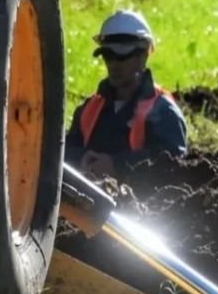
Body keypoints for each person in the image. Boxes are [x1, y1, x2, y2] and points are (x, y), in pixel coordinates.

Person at [66, 10, 188, 179]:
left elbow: (173, 164)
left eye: (122, 57)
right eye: (108, 56)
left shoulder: (163, 111)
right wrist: (81, 159)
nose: (114, 65)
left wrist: (117, 166)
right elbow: (62, 154)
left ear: (144, 54)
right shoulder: (90, 110)